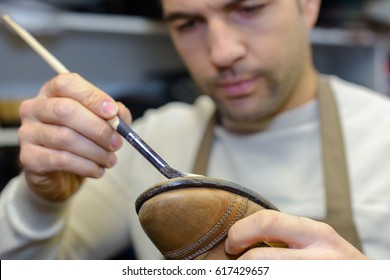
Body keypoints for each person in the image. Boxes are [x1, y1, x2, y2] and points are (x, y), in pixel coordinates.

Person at [0, 0, 389, 260]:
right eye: (189, 23)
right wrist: (40, 200)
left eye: (248, 8)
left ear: (307, 6)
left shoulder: (381, 135)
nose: (221, 53)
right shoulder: (150, 142)